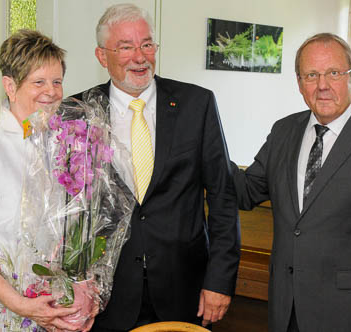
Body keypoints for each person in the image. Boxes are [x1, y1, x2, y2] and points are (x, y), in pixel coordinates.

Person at [232, 33, 351, 332]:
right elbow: (245, 191)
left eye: (333, 73)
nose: (322, 85)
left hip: (349, 316)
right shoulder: (283, 131)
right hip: (284, 309)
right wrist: (206, 146)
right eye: (311, 75)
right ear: (299, 82)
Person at [71, 3, 240, 331]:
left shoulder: (197, 104)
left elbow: (222, 197)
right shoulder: (77, 112)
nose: (140, 56)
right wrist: (75, 285)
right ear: (102, 56)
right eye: (125, 47)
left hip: (184, 289)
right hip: (105, 295)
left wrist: (219, 280)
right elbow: (69, 211)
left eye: (146, 44)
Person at [0, 29, 94, 331]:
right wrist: (20, 304)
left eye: (57, 81)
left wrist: (82, 295)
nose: (51, 91)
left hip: (50, 311)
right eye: (38, 82)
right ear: (10, 86)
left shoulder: (62, 147)